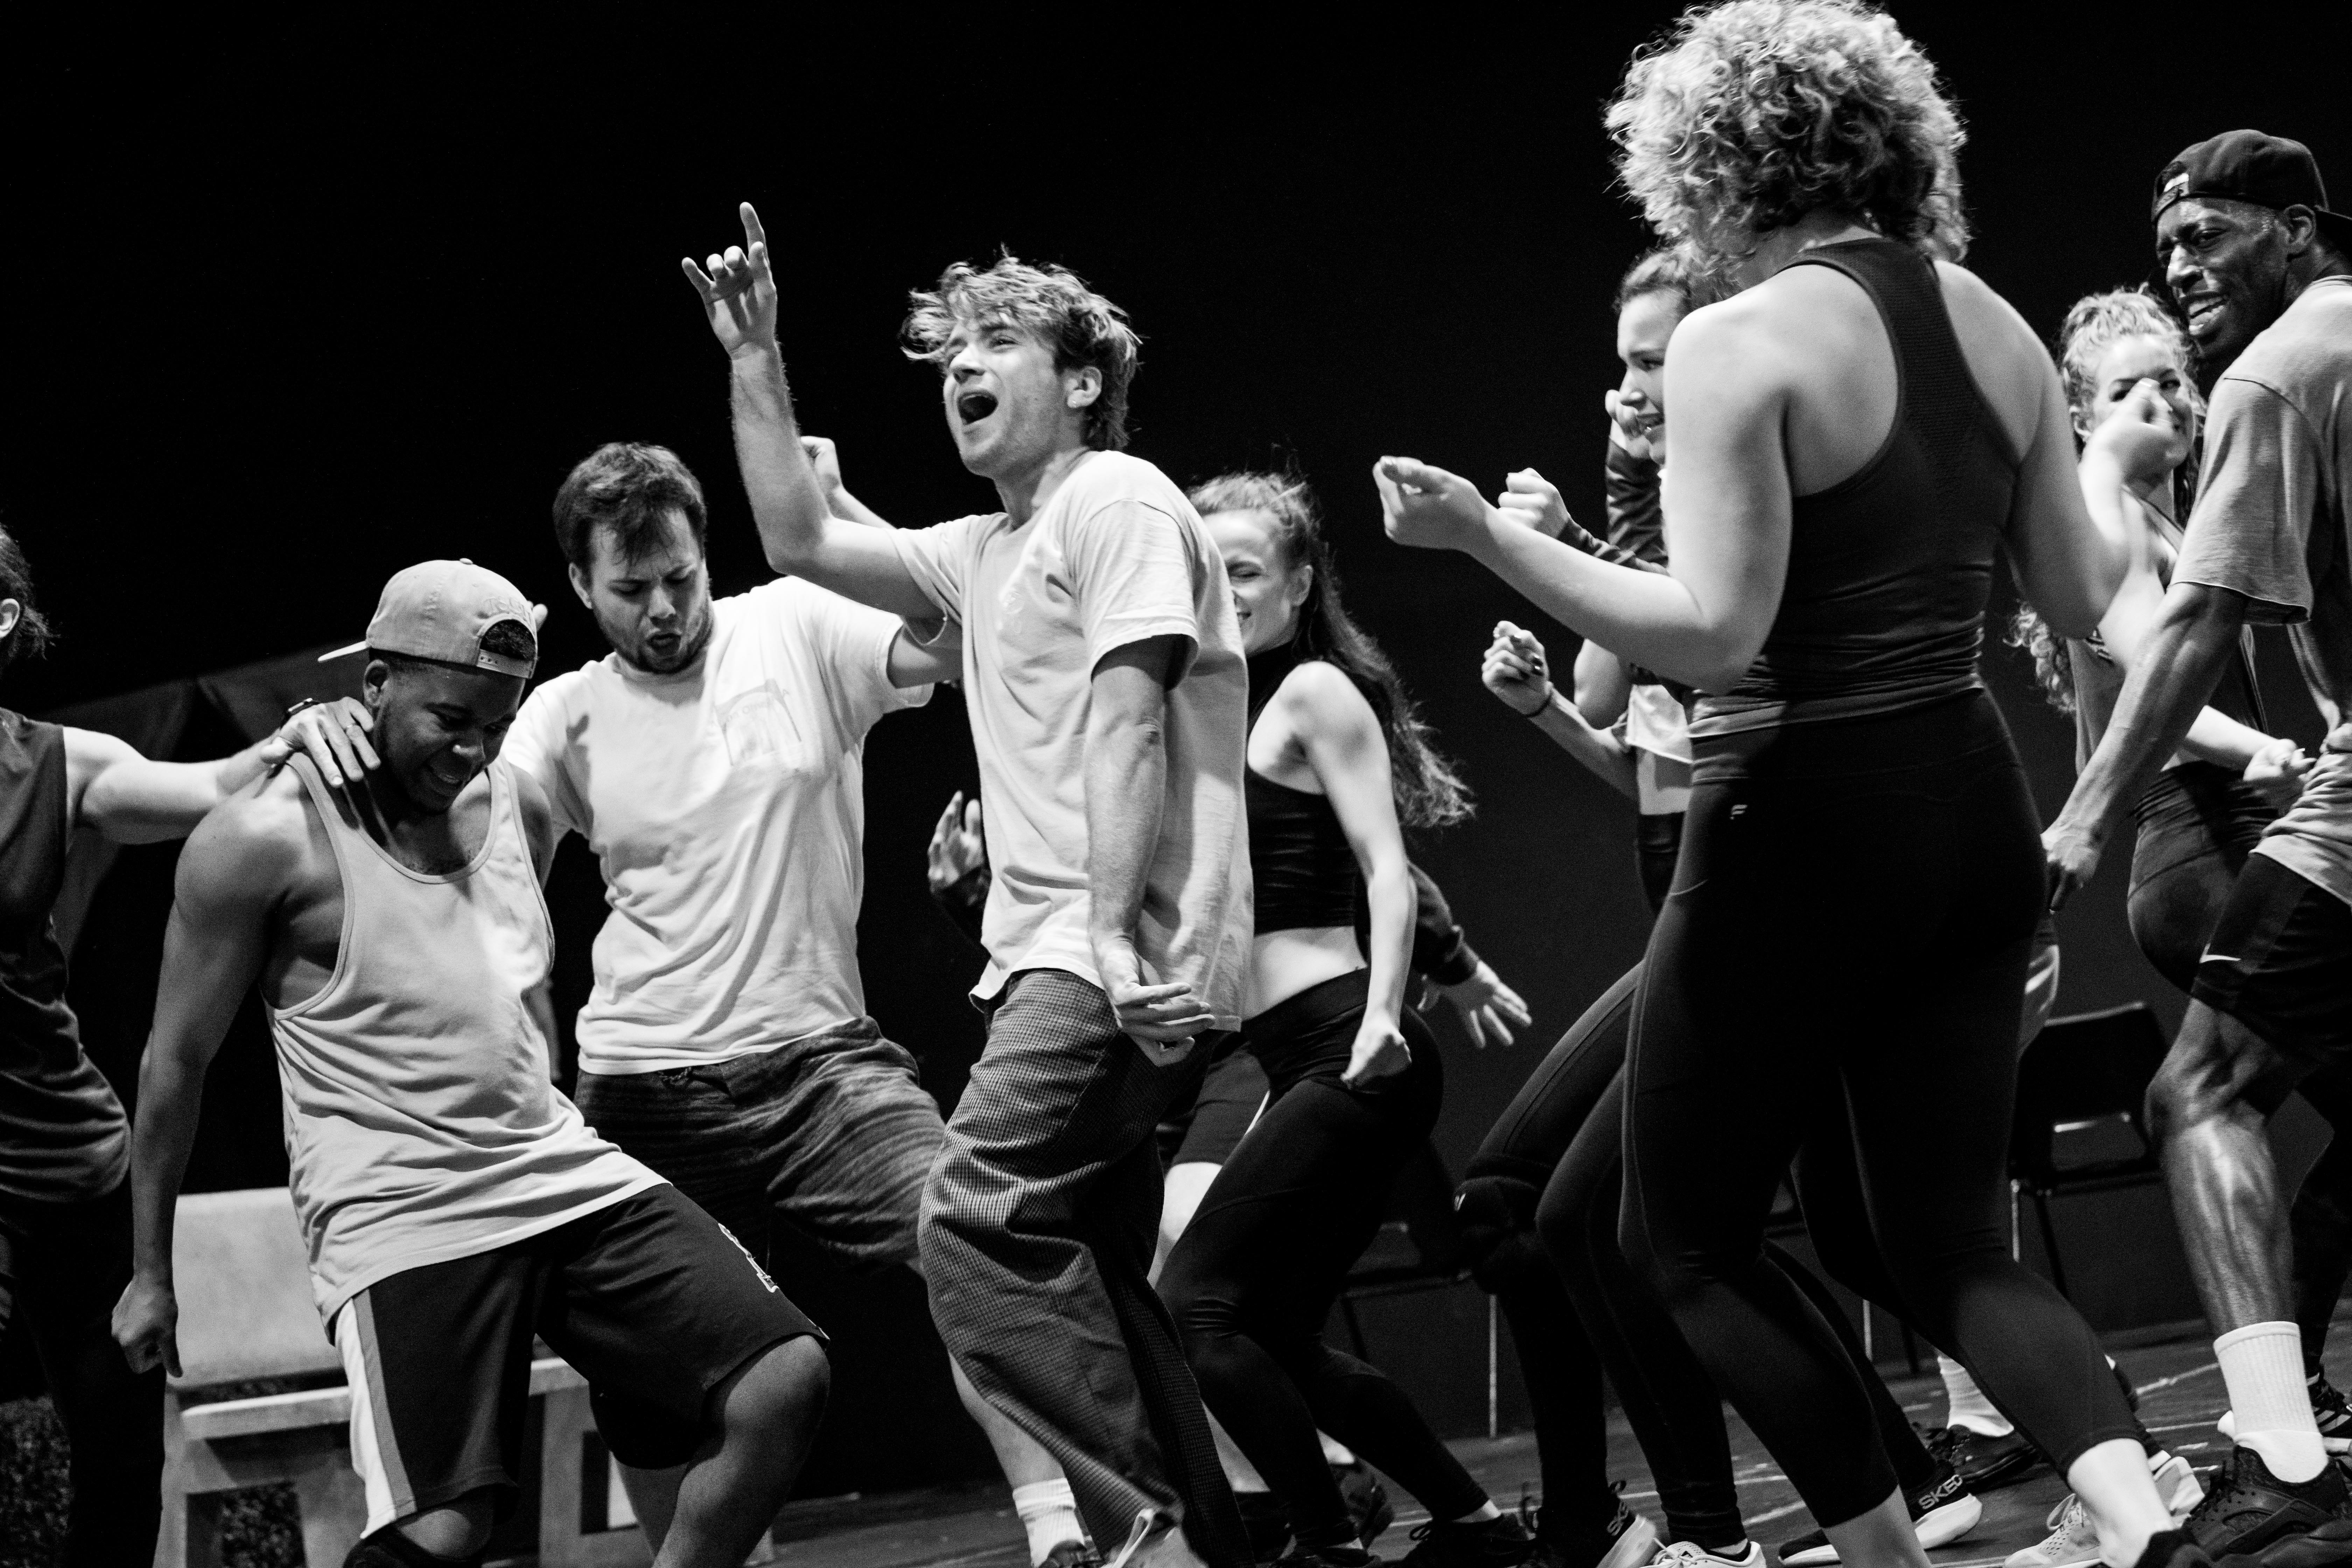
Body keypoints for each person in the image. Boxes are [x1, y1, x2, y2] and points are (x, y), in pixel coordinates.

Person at [1377, 5, 2187, 1567]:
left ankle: (1884, 1559)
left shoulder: (1733, 340)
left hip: (1800, 822)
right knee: (1944, 1243)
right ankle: (2150, 1528)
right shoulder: (1997, 324)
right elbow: (2087, 598)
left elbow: (1713, 629)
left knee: (1679, 1243)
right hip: (1969, 808)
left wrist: (1486, 537)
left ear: (1711, 161)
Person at [684, 205, 1252, 1568]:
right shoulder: (985, 549)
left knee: (972, 1212)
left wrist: (1115, 937)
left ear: (1081, 380)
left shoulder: (1115, 501)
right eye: (949, 355)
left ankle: (1161, 1518)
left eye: (999, 343)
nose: (963, 369)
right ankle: (1227, 1536)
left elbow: (1127, 719)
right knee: (1099, 1264)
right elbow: (798, 533)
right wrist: (756, 355)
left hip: (1115, 944)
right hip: (1061, 950)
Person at [110, 561, 832, 1568]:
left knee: (781, 1376)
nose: (475, 749)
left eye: (497, 725)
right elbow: (174, 1063)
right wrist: (151, 1273)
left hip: (554, 1171)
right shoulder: (264, 840)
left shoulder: (518, 811)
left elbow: (511, 993)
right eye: (450, 718)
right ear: (375, 685)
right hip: (403, 1208)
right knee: (445, 1534)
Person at [467, 439, 1087, 1567]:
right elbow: (490, 879)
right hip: (645, 1083)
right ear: (579, 586)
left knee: (972, 1243)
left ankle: (1057, 1533)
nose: (662, 611)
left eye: (681, 580)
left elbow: (959, 635)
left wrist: (846, 508)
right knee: (646, 1366)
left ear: (708, 557)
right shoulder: (563, 716)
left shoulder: (796, 624)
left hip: (822, 1062)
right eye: (630, 590)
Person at [927, 782, 1527, 1563]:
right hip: (1147, 1039)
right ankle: (1306, 1500)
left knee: (1194, 1257)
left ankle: (1329, 1490)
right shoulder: (1068, 779)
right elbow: (1060, 925)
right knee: (1149, 1284)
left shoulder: (1188, 722)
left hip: (1244, 1042)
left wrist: (1452, 956)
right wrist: (973, 894)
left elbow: (1365, 848)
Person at [2043, 129, 2352, 1556]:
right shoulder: (2132, 492)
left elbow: (2204, 628)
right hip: (2218, 842)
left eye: (2209, 236)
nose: (2181, 269)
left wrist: (2086, 810)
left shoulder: (2281, 371)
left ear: (2296, 227)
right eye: (2166, 246)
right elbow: (2146, 624)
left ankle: (2284, 1455)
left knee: (2202, 1094)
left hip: (2279, 811)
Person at [1148, 472, 1528, 1568]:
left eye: (1248, 570)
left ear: (1302, 581)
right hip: (1288, 1049)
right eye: (1206, 571)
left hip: (1349, 1046)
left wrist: (1387, 1013)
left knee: (1199, 1310)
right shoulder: (1205, 707)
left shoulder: (1312, 691)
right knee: (1267, 1331)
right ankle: (1473, 1527)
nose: (1226, 589)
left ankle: (1326, 1543)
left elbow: (1389, 871)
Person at [0, 525, 369, 1568]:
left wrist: (304, 736)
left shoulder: (59, 767)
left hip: (69, 1160)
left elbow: (218, 788)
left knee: (122, 1466)